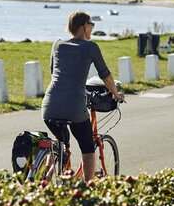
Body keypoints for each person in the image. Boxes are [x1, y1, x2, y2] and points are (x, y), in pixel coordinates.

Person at [41, 11, 123, 182]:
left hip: (49, 105)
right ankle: (89, 187)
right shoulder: (90, 47)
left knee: (60, 143)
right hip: (74, 107)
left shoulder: (57, 44)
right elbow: (106, 76)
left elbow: (54, 73)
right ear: (85, 26)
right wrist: (116, 94)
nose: (92, 29)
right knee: (87, 147)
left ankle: (45, 180)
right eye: (91, 25)